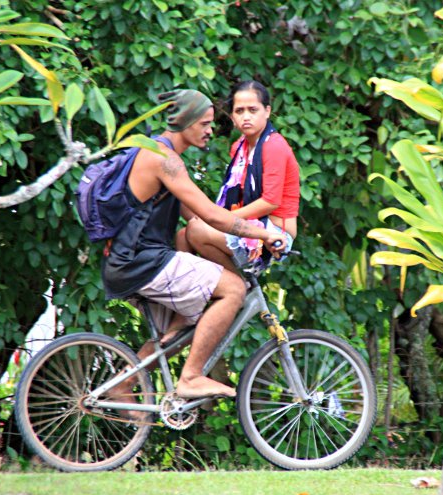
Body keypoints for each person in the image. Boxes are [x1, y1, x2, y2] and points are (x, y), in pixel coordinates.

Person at [102, 89, 285, 401]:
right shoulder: (164, 160)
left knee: (191, 322)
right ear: (184, 122)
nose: (210, 130)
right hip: (142, 262)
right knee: (234, 289)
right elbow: (212, 215)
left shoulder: (163, 158)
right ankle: (190, 378)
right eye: (204, 123)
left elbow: (196, 219)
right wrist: (263, 234)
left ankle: (122, 384)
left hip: (133, 263)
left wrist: (236, 236)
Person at [183, 81, 300, 270]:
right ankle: (188, 293)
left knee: (197, 229)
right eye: (239, 111)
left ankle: (238, 285)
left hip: (275, 234)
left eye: (253, 110)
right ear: (232, 117)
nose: (246, 117)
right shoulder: (238, 147)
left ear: (267, 111)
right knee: (183, 235)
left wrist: (225, 219)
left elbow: (270, 202)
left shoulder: (274, 146)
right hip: (245, 225)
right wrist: (223, 219)